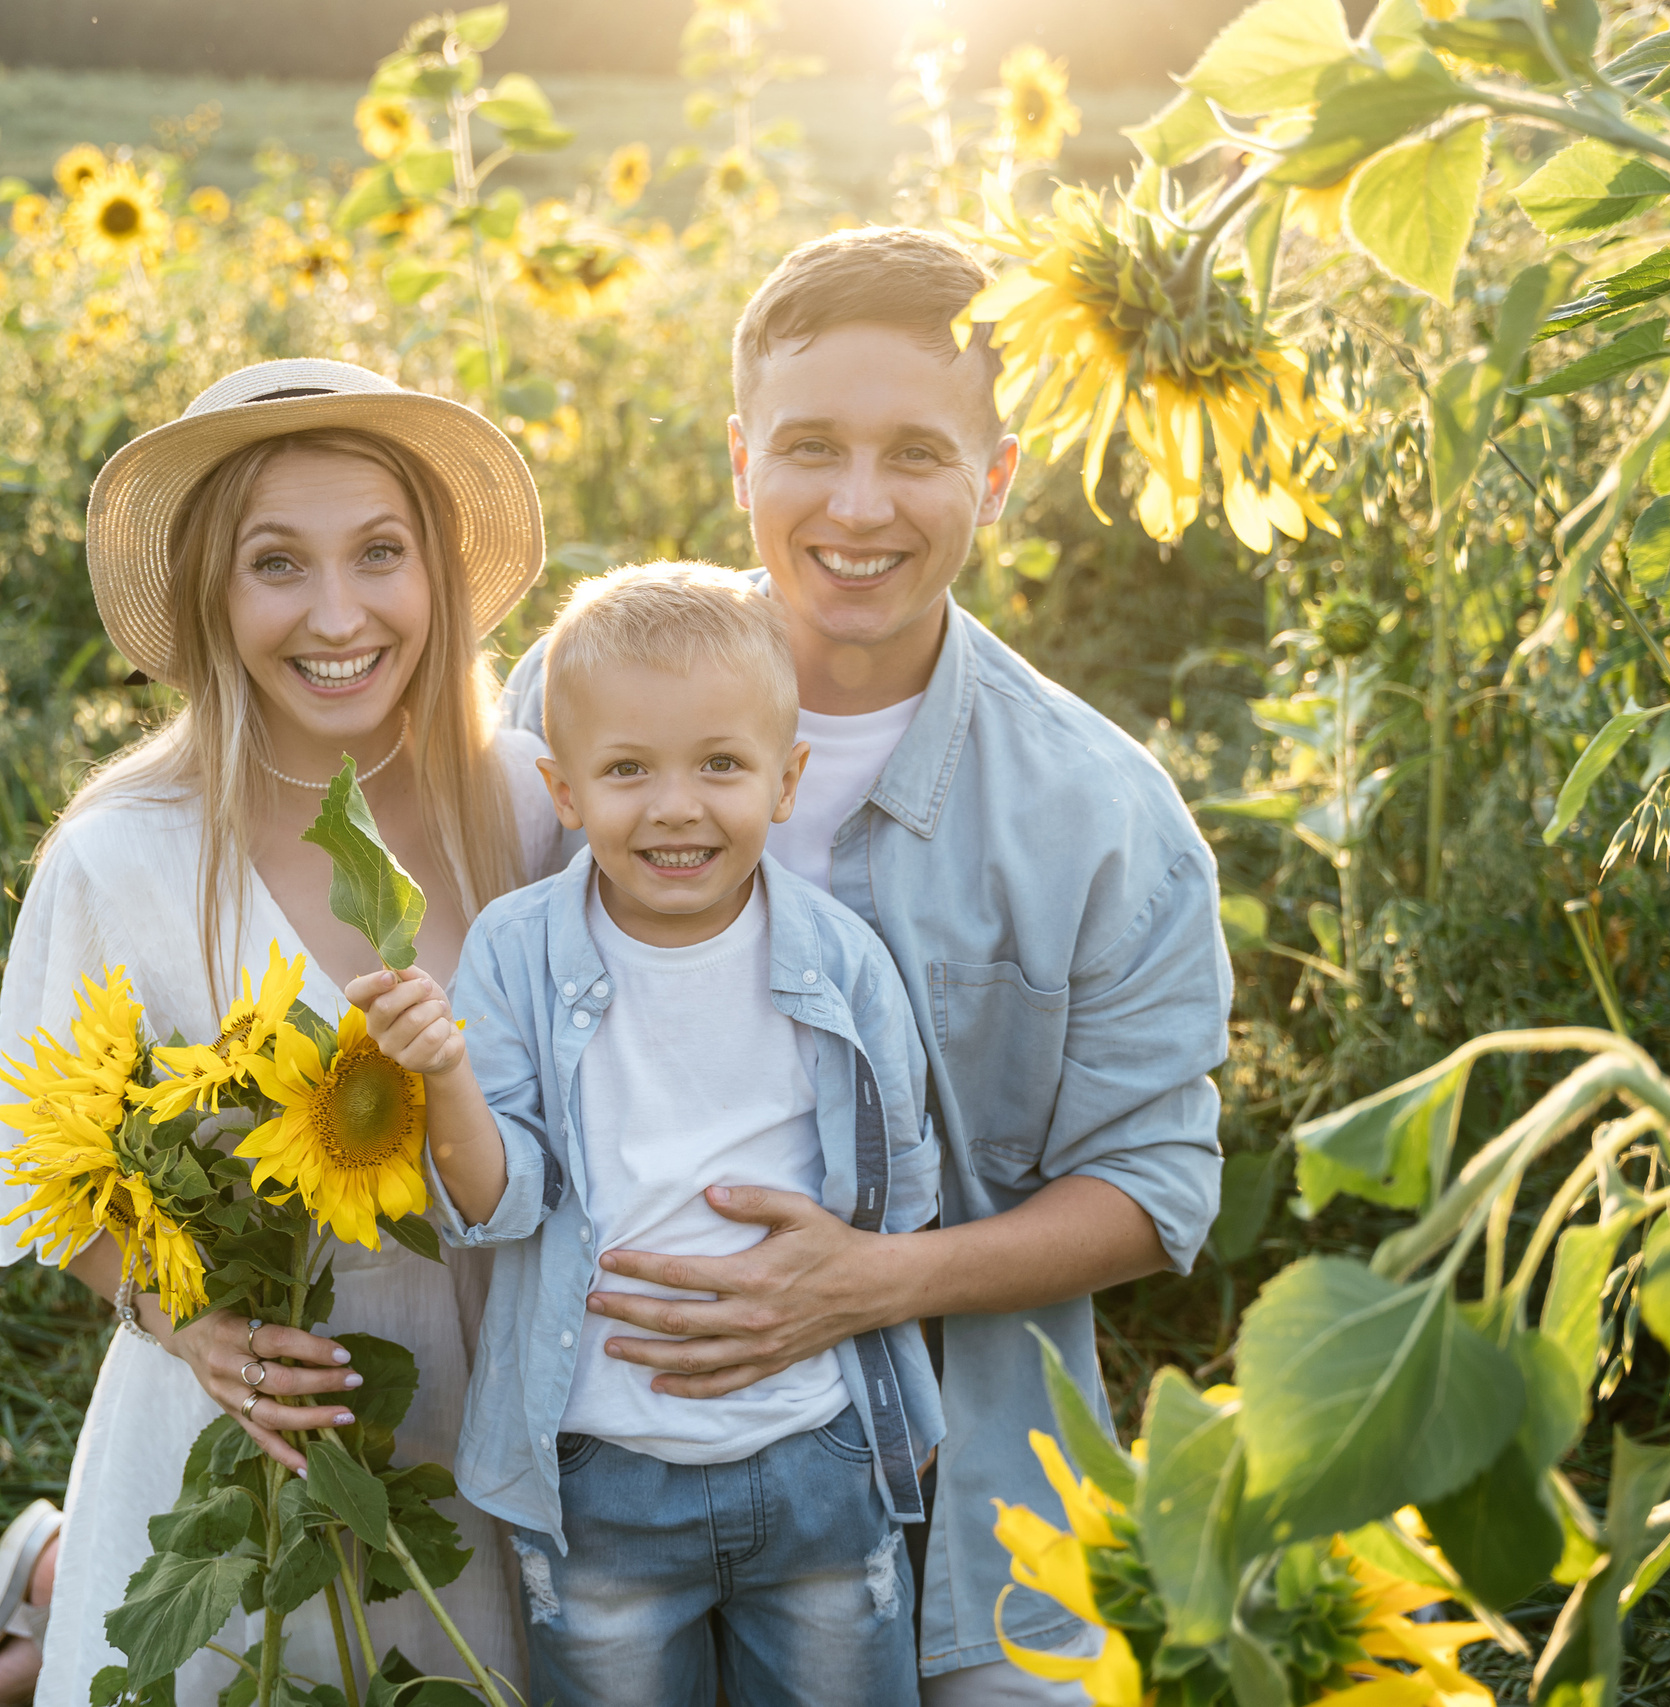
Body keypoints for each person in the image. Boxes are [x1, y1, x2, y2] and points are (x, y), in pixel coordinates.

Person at [0, 357, 565, 1707]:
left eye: (380, 552)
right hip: (241, 1461)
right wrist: (194, 1324)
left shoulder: (534, 806)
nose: (338, 613)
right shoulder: (125, 857)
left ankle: (28, 1596)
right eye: (276, 562)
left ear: (436, 573)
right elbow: (47, 1186)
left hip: (496, 1437)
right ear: (211, 592)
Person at [499, 227, 1232, 1705]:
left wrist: (873, 1283)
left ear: (997, 477)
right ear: (740, 459)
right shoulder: (569, 698)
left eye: (916, 454)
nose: (855, 505)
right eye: (810, 447)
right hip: (600, 1467)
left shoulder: (1100, 813)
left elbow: (1156, 1188)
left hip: (973, 1502)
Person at [348, 563, 941, 1707]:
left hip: (816, 1449)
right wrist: (445, 1076)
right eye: (627, 770)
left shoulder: (840, 961)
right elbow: (495, 1204)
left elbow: (896, 1197)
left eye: (720, 764)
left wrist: (892, 1410)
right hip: (601, 1474)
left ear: (785, 780)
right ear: (563, 790)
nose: (674, 807)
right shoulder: (519, 953)